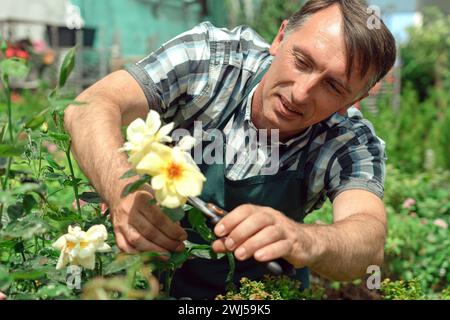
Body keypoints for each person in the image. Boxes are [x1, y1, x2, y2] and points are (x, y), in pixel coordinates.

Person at [64, 0, 396, 299]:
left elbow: (367, 239)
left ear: (353, 101)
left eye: (333, 85)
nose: (301, 93)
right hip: (144, 278)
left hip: (256, 296)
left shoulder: (349, 141)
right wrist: (121, 190)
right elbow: (89, 105)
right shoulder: (213, 60)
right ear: (280, 39)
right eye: (302, 61)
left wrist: (302, 240)